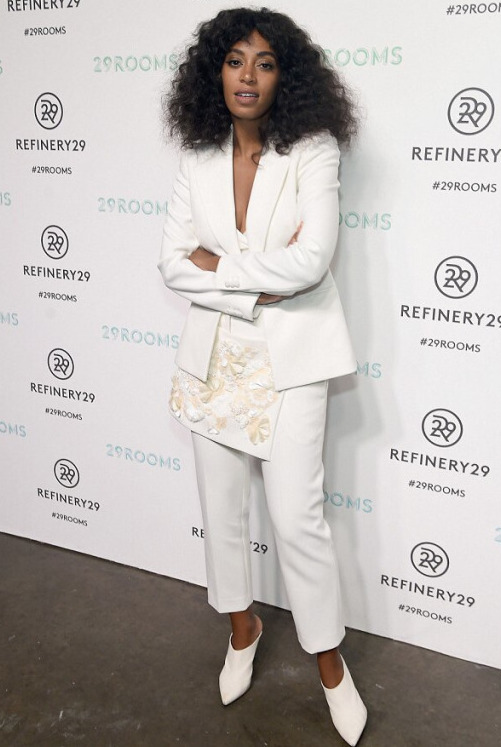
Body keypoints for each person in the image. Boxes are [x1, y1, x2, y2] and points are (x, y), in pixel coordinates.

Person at [159, 7, 366, 745]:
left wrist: (220, 267)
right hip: (213, 359)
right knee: (221, 510)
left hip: (292, 361)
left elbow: (312, 262)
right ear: (214, 71)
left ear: (286, 77)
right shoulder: (197, 158)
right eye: (234, 60)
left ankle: (330, 665)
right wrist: (255, 284)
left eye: (265, 63)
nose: (247, 76)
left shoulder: (312, 150)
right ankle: (241, 626)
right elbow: (172, 263)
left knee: (296, 518)